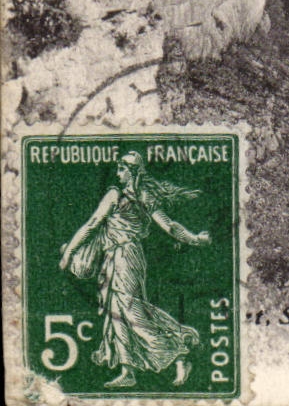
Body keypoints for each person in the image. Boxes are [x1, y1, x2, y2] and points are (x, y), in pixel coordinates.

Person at [58, 151, 210, 388]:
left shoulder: (117, 195)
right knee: (117, 311)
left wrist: (69, 253)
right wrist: (195, 239)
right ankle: (127, 371)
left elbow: (92, 224)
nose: (118, 173)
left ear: (132, 172)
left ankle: (179, 353)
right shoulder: (143, 196)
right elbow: (170, 226)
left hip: (124, 257)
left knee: (131, 311)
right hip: (119, 256)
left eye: (121, 169)